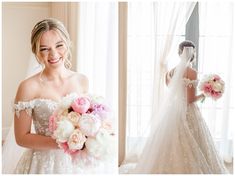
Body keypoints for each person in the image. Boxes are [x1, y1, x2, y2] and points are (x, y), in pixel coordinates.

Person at [3, 18, 115, 174]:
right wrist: (64, 142)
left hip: (75, 164)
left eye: (59, 45)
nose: (53, 54)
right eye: (44, 49)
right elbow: (21, 137)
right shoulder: (28, 87)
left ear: (67, 44)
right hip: (42, 164)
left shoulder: (81, 80)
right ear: (36, 51)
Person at [130, 41, 228, 174]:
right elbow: (190, 100)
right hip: (188, 112)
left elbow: (173, 92)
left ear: (179, 52)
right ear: (192, 53)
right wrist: (204, 95)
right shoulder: (191, 72)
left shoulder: (170, 72)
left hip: (172, 111)